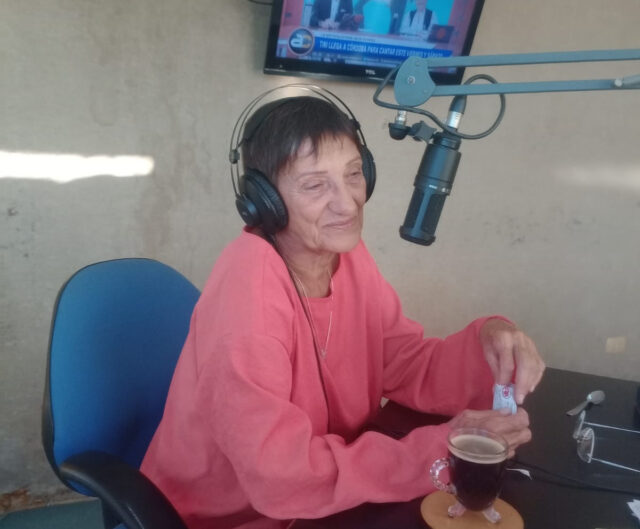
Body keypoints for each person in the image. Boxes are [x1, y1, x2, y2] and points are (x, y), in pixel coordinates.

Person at [141, 91, 545, 529]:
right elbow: (280, 478)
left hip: (326, 500)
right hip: (233, 516)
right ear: (264, 200)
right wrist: (442, 451)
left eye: (353, 174)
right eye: (315, 185)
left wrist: (489, 343)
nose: (348, 204)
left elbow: (401, 359)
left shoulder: (343, 254)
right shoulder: (247, 304)